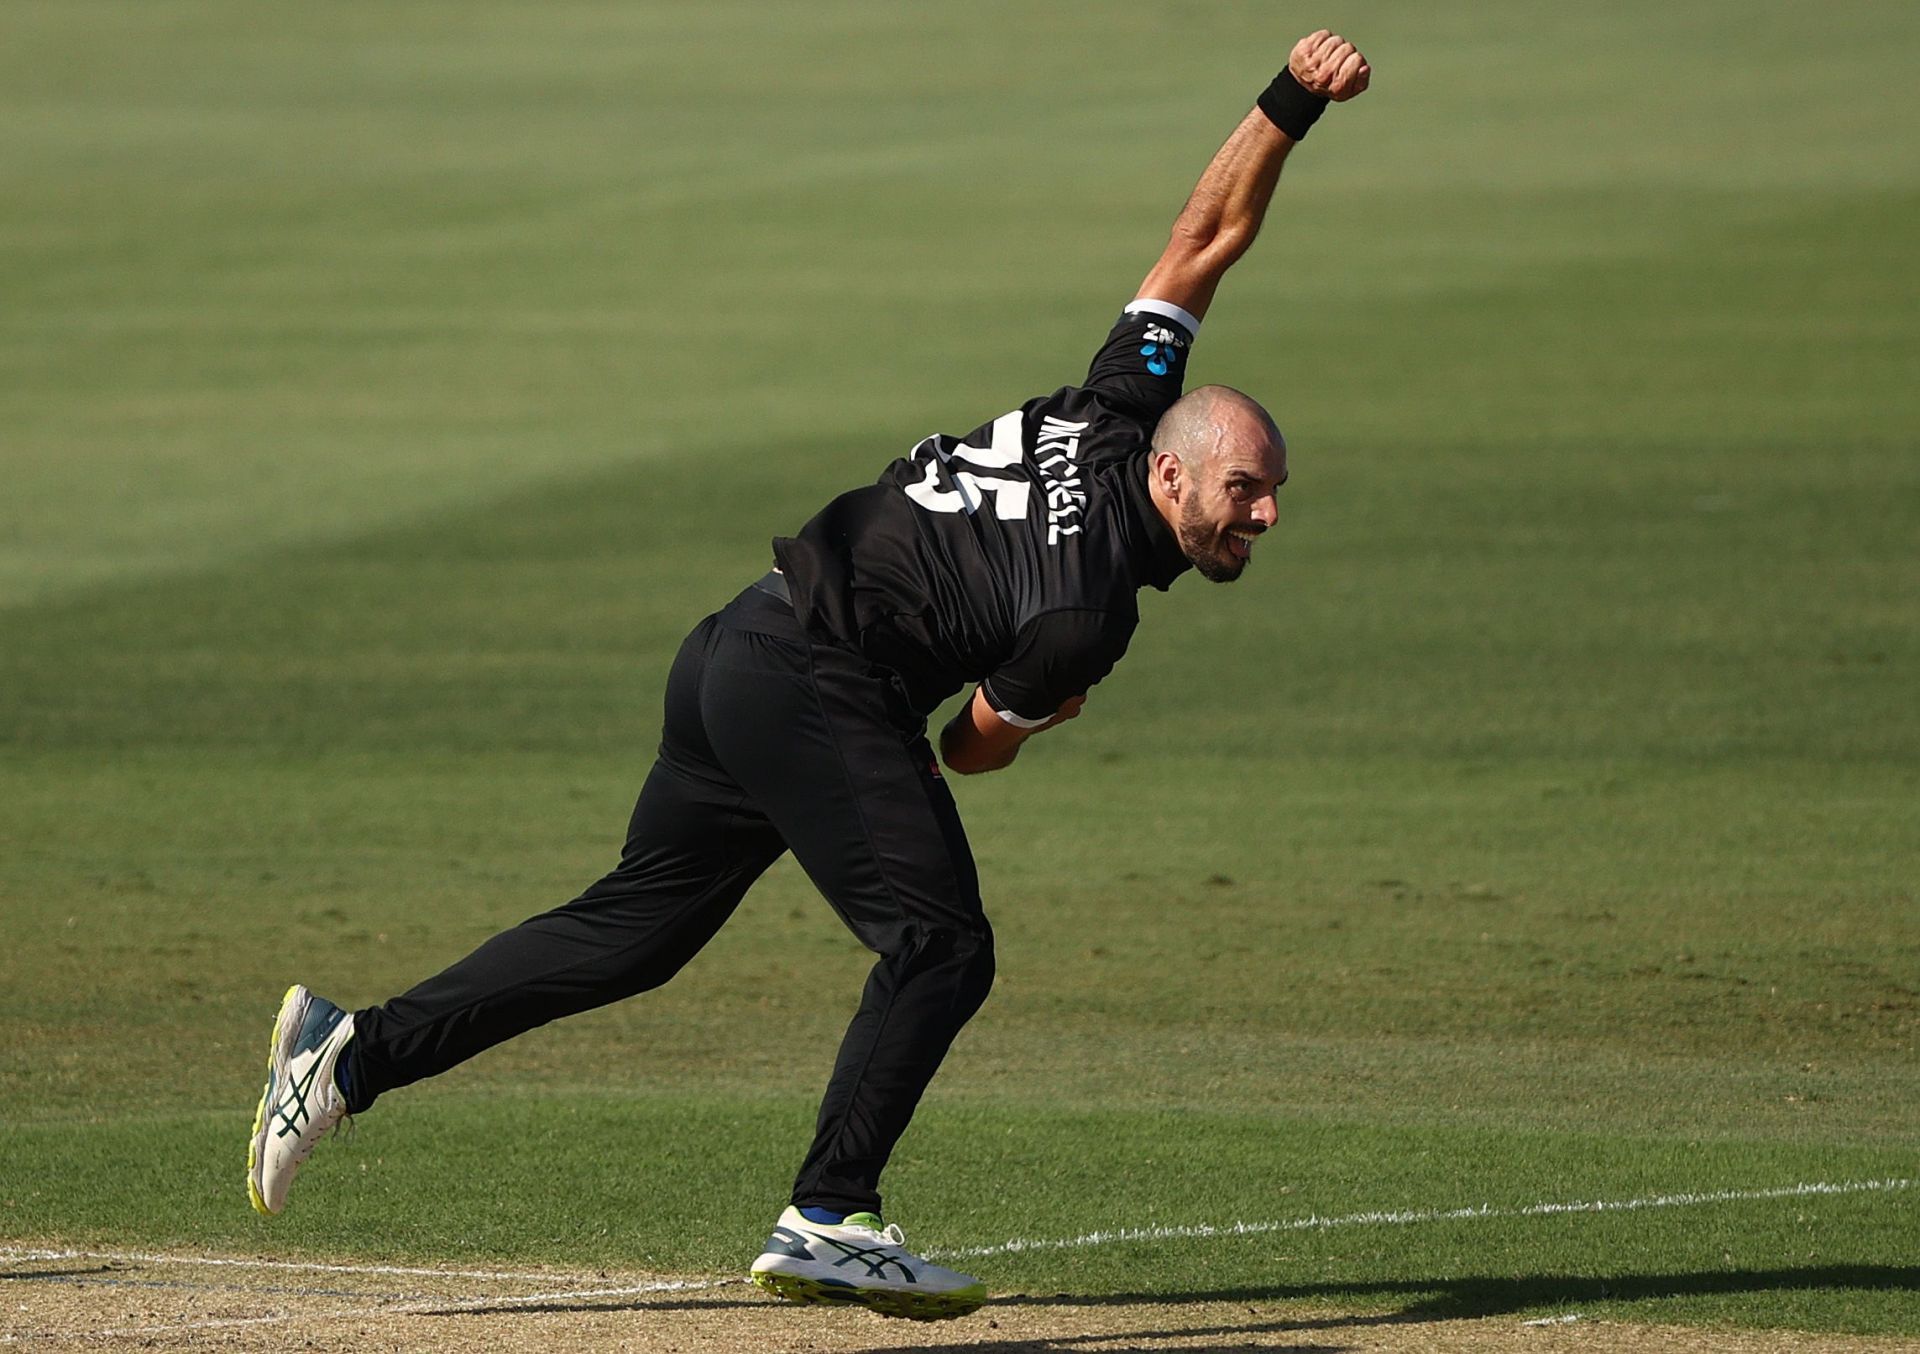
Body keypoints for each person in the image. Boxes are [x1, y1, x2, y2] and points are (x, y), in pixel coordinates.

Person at [246, 28, 1370, 1322]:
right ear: (1173, 475)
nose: (1265, 515)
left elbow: (1203, 236)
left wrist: (1289, 98)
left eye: (1273, 494)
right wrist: (1041, 712)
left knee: (632, 933)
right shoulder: (1092, 605)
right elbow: (969, 746)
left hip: (737, 643)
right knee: (942, 943)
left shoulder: (1111, 404)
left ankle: (349, 1052)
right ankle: (831, 1209)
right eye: (1246, 489)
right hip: (819, 680)